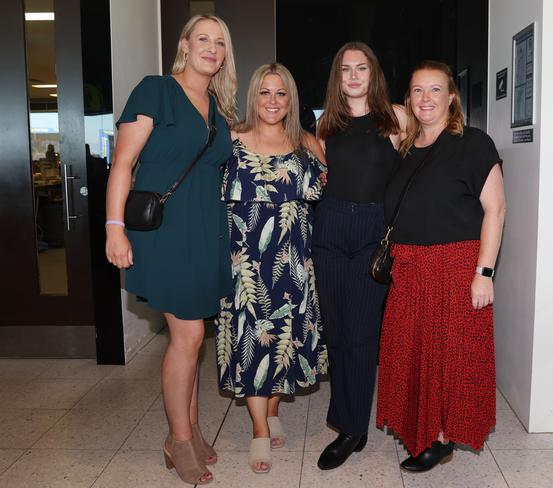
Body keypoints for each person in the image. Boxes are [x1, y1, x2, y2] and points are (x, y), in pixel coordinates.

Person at [105, 14, 237, 485]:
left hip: (204, 232)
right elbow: (123, 163)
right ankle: (177, 441)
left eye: (219, 43)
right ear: (184, 45)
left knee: (194, 338)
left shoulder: (217, 107)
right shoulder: (155, 90)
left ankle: (191, 429)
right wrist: (114, 228)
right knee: (189, 338)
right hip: (164, 232)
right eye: (203, 39)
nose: (212, 48)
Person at [376, 60, 506, 472]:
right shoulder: (405, 149)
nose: (426, 98)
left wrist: (484, 272)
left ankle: (441, 438)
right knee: (409, 350)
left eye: (435, 90)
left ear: (452, 97)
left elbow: (496, 210)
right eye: (417, 90)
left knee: (451, 355)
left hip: (456, 265)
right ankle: (421, 428)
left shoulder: (474, 143)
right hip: (410, 266)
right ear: (408, 99)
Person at [217, 63, 327, 474]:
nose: (272, 101)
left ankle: (272, 409)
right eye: (265, 92)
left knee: (283, 338)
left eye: (281, 94)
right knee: (250, 340)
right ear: (253, 97)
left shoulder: (307, 145)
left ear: (291, 100)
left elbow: (338, 192)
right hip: (243, 263)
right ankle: (259, 430)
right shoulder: (229, 142)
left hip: (293, 262)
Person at [312, 41, 406, 470]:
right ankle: (352, 423)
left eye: (361, 68)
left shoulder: (397, 118)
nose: (353, 75)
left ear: (374, 73)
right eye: (345, 69)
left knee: (362, 333)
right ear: (337, 77)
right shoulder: (326, 125)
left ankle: (351, 427)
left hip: (372, 233)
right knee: (336, 330)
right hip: (329, 230)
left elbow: (425, 162)